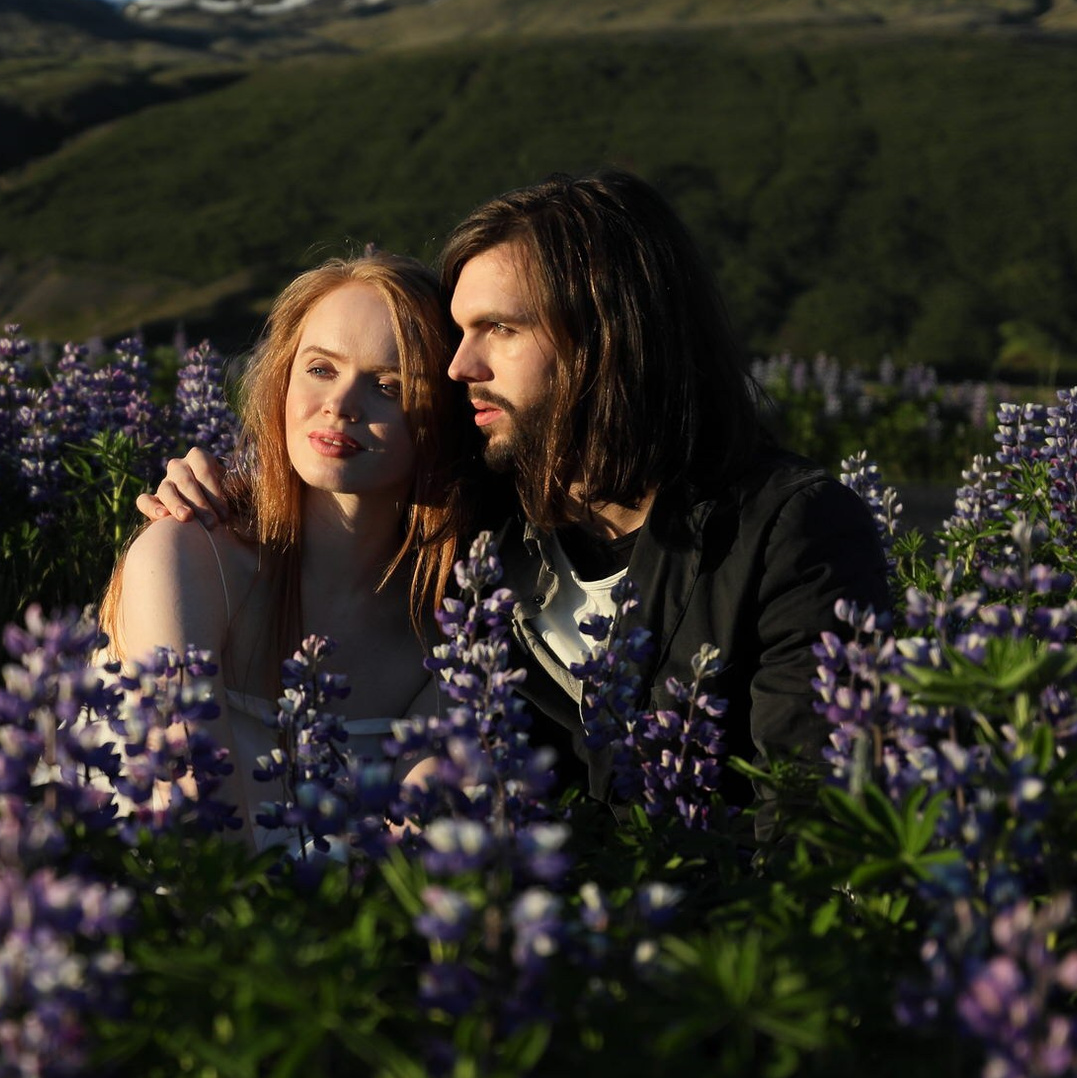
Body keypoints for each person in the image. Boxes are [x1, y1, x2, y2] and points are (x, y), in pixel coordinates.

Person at [140, 171, 889, 814]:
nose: (459, 367)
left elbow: (813, 821)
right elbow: (351, 487)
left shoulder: (788, 530)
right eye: (461, 332)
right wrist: (224, 488)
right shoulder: (488, 526)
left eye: (498, 328)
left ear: (606, 336)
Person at [103, 252, 477, 842]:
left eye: (388, 386)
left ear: (447, 420)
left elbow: (412, 858)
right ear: (282, 377)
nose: (341, 404)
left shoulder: (450, 622)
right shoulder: (189, 555)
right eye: (321, 368)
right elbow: (195, 831)